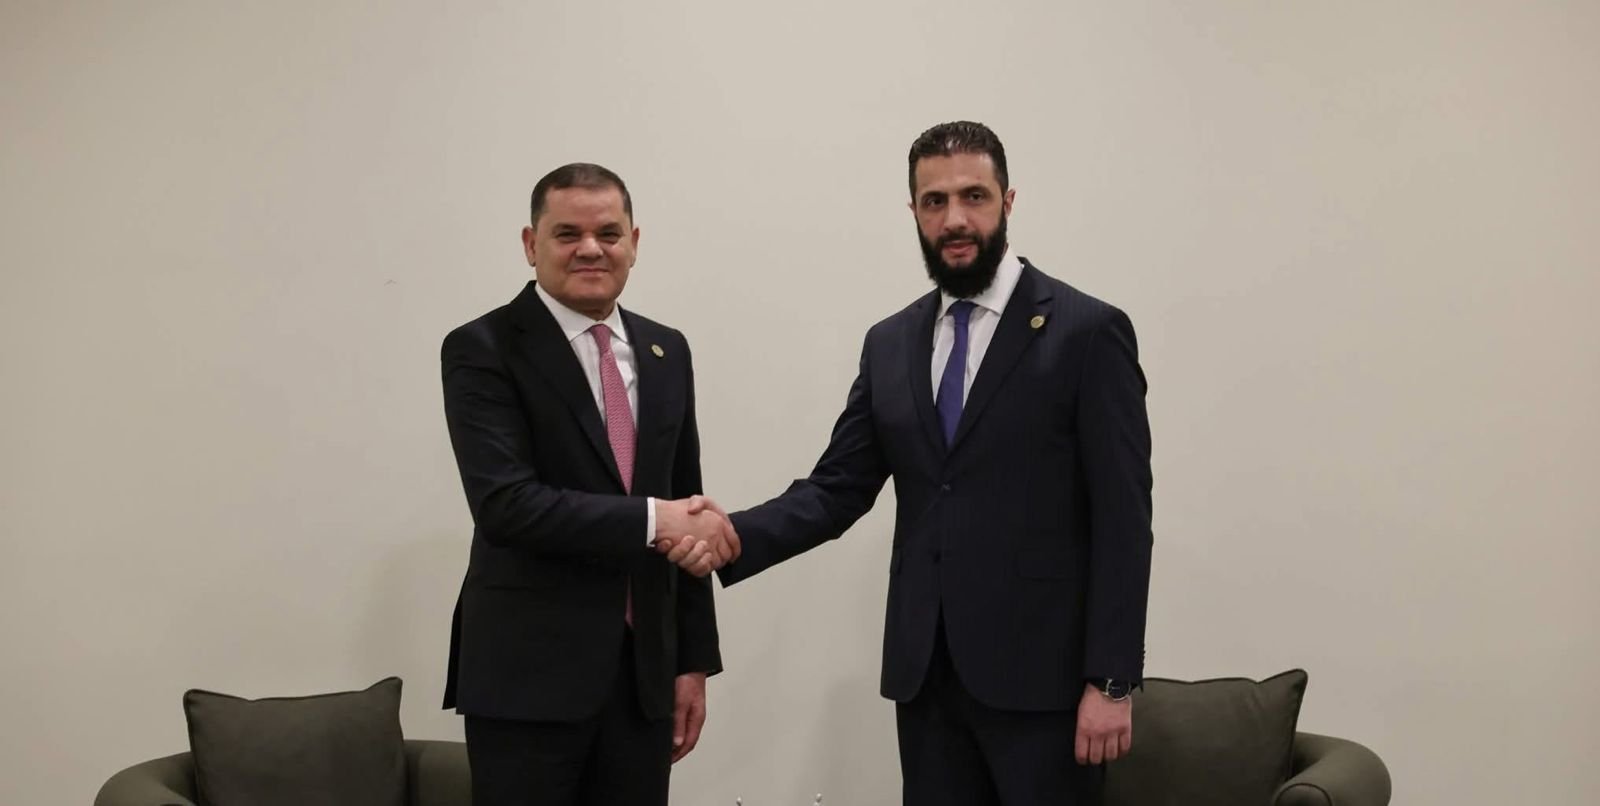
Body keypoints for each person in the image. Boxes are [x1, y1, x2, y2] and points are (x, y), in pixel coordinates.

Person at [667, 121, 1153, 805]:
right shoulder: (891, 343)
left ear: (1008, 201)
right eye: (934, 201)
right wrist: (732, 535)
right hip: (927, 683)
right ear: (914, 211)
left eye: (974, 196)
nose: (955, 219)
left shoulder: (1087, 332)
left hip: (1047, 688)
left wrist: (1112, 681)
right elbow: (837, 488)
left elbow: (1124, 521)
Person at [440, 162, 738, 806]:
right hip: (527, 681)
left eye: (608, 233)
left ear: (634, 241)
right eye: (567, 233)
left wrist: (692, 662)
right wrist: (657, 520)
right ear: (531, 244)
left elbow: (686, 500)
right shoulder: (482, 348)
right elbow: (506, 505)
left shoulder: (667, 350)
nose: (590, 249)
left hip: (643, 682)